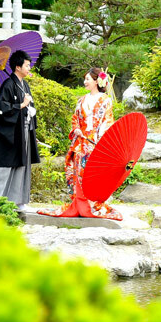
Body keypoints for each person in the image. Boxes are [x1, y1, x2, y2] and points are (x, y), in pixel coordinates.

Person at [41, 67, 121, 220]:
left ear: (97, 81)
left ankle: (93, 204)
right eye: (84, 79)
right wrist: (76, 129)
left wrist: (100, 138)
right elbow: (75, 118)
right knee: (78, 171)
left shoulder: (105, 100)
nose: (85, 82)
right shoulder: (81, 100)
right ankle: (80, 204)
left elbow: (107, 121)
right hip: (81, 142)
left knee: (93, 173)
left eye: (87, 79)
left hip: (96, 142)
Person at [0, 49, 39, 209]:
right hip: (10, 133)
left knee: (21, 167)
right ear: (18, 67)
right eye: (27, 65)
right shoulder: (8, 85)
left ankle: (18, 202)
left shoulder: (24, 85)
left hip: (24, 131)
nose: (29, 68)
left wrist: (31, 124)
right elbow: (1, 109)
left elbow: (29, 108)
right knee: (6, 167)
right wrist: (21, 105)